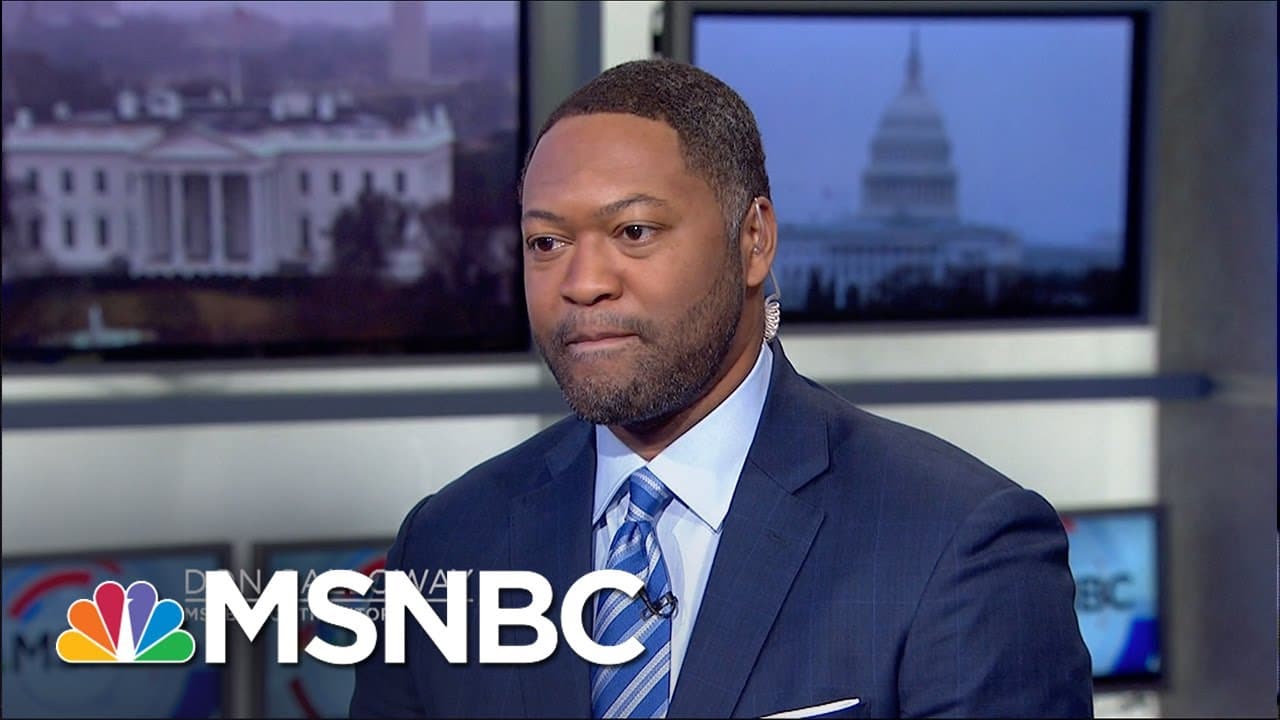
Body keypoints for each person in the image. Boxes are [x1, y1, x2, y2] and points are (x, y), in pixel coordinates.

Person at [351, 58, 1093, 718]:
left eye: (634, 232)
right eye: (547, 242)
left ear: (754, 240)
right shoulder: (447, 543)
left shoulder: (956, 543)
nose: (583, 283)